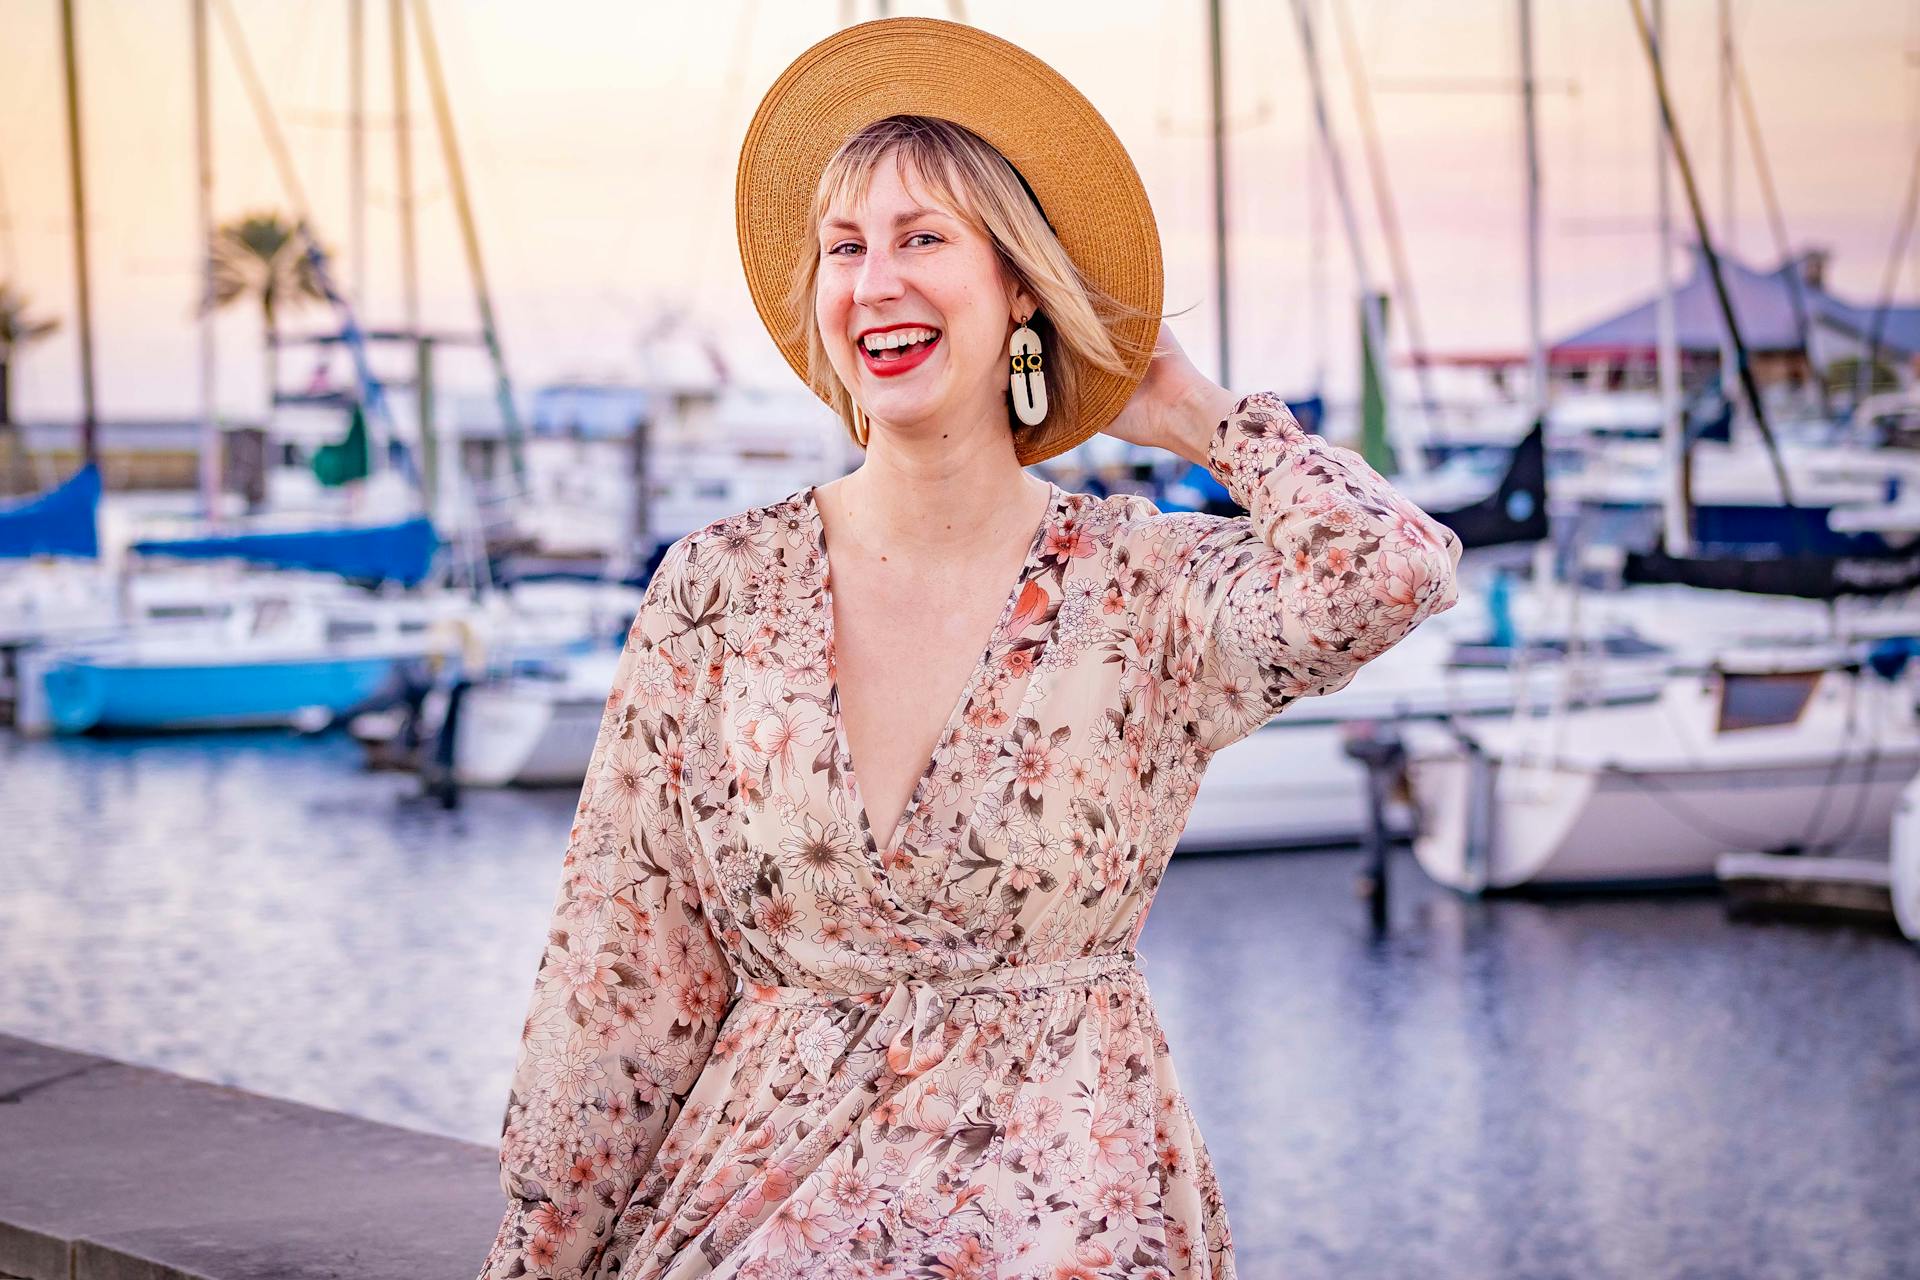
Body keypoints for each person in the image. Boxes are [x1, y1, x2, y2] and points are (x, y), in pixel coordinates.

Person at [478, 17, 1462, 1280]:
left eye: (923, 239)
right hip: (755, 1219)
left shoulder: (1139, 588)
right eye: (845, 248)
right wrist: (536, 1252)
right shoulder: (718, 590)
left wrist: (1199, 413)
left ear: (1020, 291)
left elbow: (1394, 569)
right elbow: (616, 981)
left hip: (1072, 1228)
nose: (873, 282)